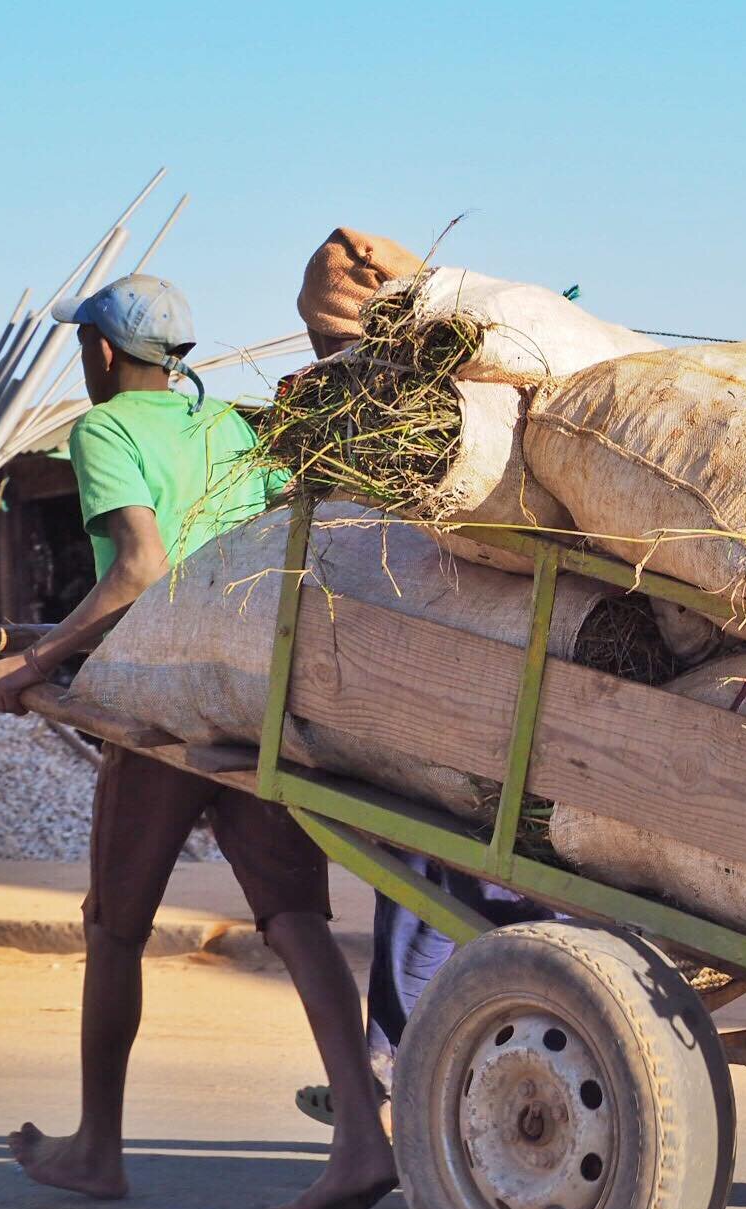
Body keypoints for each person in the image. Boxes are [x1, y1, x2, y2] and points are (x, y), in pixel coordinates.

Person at [0, 273, 396, 1209]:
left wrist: (34, 660)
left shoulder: (102, 431)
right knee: (293, 918)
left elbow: (139, 567)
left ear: (100, 352)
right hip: (247, 690)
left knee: (113, 928)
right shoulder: (232, 429)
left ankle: (96, 1148)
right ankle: (362, 1143)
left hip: (163, 699)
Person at [290, 229, 551, 1124]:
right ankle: (445, 1038)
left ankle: (402, 1055)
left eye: (327, 341)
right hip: (507, 674)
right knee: (478, 864)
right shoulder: (499, 397)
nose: (322, 360)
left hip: (450, 678)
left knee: (419, 849)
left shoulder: (397, 414)